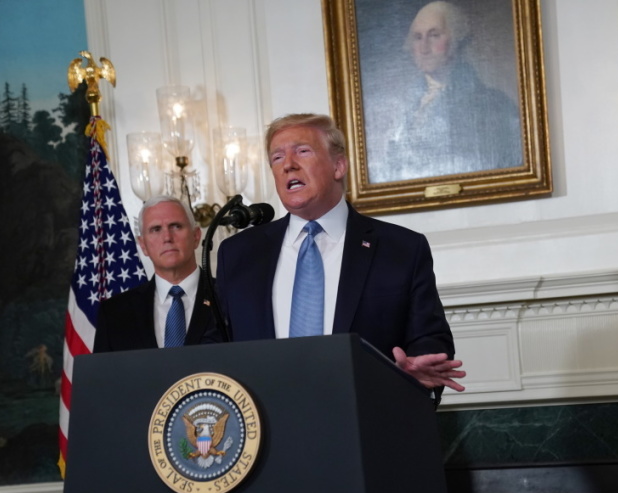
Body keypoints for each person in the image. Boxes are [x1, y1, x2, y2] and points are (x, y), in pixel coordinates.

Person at [216, 113, 465, 402]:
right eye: (277, 157)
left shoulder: (401, 249)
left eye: (302, 151)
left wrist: (413, 375)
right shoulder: (239, 254)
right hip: (265, 431)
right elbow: (218, 348)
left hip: (367, 423)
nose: (288, 164)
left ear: (339, 166)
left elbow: (428, 338)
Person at [377, 0, 522, 182]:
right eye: (417, 37)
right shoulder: (405, 107)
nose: (424, 48)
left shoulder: (493, 105)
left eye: (434, 35)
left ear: (456, 39)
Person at [93, 195, 218, 352]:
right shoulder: (114, 313)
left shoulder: (229, 298)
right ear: (143, 245)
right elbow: (104, 375)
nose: (167, 237)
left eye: (176, 226)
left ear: (196, 236)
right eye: (156, 229)